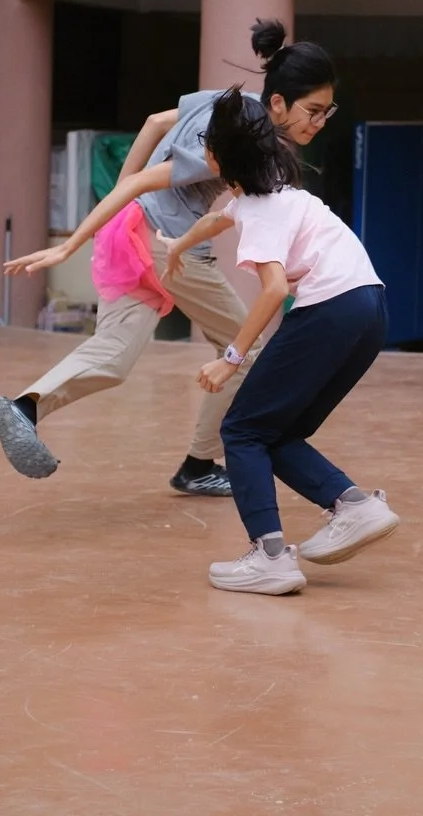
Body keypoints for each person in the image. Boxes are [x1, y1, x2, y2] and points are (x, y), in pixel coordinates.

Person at [0, 19, 340, 497]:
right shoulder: (243, 133)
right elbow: (147, 181)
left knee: (114, 356)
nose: (318, 123)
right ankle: (200, 461)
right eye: (313, 111)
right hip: (169, 243)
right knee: (245, 349)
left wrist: (116, 210)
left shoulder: (225, 99)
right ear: (278, 102)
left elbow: (155, 122)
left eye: (326, 112)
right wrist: (71, 242)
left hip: (130, 231)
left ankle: (24, 409)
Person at [160, 87, 399, 596]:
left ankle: (269, 556)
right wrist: (178, 244)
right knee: (277, 432)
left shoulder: (263, 210)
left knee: (242, 431)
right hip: (370, 307)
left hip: (329, 309)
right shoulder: (271, 196)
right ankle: (353, 504)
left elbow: (272, 290)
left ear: (218, 158)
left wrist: (230, 358)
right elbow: (216, 219)